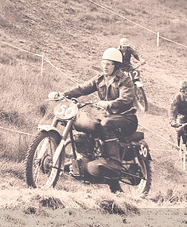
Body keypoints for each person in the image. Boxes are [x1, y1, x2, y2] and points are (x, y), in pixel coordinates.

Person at [48, 47, 137, 191]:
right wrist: (62, 94)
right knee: (91, 124)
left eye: (108, 64)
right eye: (103, 63)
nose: (105, 66)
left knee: (106, 124)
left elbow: (126, 99)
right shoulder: (100, 79)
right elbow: (82, 88)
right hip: (108, 116)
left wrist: (109, 104)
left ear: (116, 65)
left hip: (126, 118)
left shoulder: (125, 80)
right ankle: (88, 158)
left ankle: (113, 162)